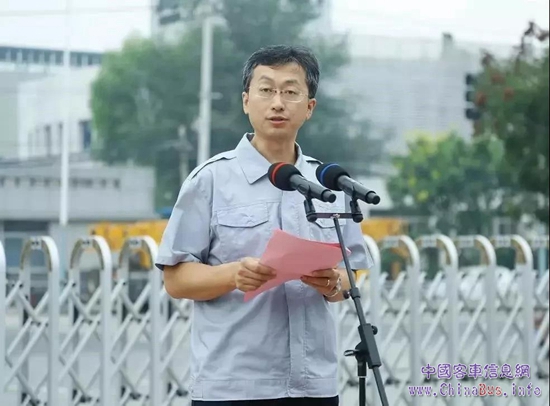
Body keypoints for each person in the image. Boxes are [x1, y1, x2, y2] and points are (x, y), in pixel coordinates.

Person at [155, 44, 373, 405]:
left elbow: (353, 272)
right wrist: (233, 275)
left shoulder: (329, 184)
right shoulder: (210, 181)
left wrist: (335, 283)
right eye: (266, 90)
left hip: (315, 385)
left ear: (310, 107)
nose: (277, 103)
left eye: (290, 92)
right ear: (246, 101)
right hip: (234, 386)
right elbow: (175, 279)